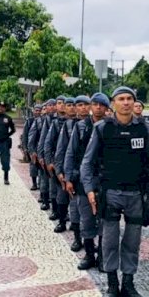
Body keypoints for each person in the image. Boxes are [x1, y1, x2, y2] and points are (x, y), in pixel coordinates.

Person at [81, 86, 149, 297]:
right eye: (121, 99)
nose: (126, 103)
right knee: (109, 241)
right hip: (110, 193)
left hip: (136, 193)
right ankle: (112, 284)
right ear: (113, 103)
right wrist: (89, 189)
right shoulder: (102, 128)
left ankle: (128, 283)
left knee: (132, 241)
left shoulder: (145, 129)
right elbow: (87, 163)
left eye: (129, 99)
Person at [65, 93, 109, 269]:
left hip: (105, 179)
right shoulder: (81, 127)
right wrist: (68, 177)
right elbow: (70, 151)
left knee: (105, 220)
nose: (98, 107)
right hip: (85, 179)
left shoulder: (110, 127)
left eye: (102, 105)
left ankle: (103, 257)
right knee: (87, 218)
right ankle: (89, 254)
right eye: (95, 104)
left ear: (107, 108)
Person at [57, 95, 89, 245]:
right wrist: (62, 172)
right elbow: (63, 150)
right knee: (75, 207)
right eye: (80, 105)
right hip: (75, 172)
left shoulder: (99, 124)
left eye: (86, 105)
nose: (83, 108)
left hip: (94, 173)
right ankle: (77, 238)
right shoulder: (69, 125)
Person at [51, 97, 78, 232]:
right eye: (69, 105)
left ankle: (75, 224)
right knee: (62, 196)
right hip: (63, 165)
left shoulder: (84, 124)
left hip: (77, 168)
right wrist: (58, 170)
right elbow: (60, 149)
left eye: (75, 105)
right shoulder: (62, 125)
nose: (72, 108)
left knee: (76, 200)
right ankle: (62, 221)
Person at [41, 96, 67, 221]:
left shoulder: (73, 121)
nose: (62, 106)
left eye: (64, 103)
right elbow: (45, 141)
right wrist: (47, 160)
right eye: (60, 103)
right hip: (54, 158)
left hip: (67, 160)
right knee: (54, 187)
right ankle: (56, 211)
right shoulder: (51, 120)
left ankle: (66, 214)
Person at [21, 104, 42, 191]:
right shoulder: (29, 121)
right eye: (36, 110)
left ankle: (41, 185)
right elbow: (25, 135)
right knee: (33, 166)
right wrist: (25, 148)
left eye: (39, 110)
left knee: (41, 167)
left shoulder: (43, 121)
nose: (37, 112)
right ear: (33, 111)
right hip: (32, 147)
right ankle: (34, 183)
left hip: (40, 146)